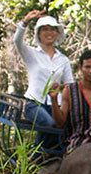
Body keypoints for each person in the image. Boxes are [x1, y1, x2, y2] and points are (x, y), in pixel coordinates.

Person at [13, 10, 73, 153]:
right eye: (45, 29)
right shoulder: (32, 54)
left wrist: (60, 88)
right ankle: (37, 157)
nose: (49, 33)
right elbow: (17, 40)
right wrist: (26, 20)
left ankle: (48, 156)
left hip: (55, 104)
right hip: (34, 103)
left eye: (52, 29)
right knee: (49, 124)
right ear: (39, 34)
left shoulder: (63, 59)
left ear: (57, 33)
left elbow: (70, 84)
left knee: (66, 127)